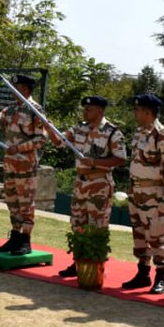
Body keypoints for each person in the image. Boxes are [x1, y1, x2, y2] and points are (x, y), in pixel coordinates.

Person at [49, 96, 128, 278]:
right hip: (81, 183)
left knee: (97, 226)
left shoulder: (112, 132)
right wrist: (48, 126)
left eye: (89, 109)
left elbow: (120, 159)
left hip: (99, 183)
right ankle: (78, 262)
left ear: (100, 111)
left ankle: (95, 266)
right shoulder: (79, 128)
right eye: (84, 109)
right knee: (78, 224)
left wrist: (94, 161)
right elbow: (59, 142)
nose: (85, 112)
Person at [0, 74, 48, 256]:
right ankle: (15, 235)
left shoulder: (36, 110)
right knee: (12, 200)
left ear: (25, 89)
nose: (13, 91)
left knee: (25, 202)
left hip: (25, 164)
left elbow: (41, 139)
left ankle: (25, 239)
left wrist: (20, 147)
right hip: (10, 164)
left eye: (16, 88)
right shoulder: (10, 110)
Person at [122, 93, 164, 293]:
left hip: (153, 191)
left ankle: (161, 277)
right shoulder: (139, 132)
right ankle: (142, 273)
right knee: (139, 234)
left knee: (156, 235)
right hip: (136, 190)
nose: (135, 113)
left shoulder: (161, 134)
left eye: (137, 109)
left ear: (147, 112)